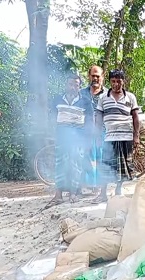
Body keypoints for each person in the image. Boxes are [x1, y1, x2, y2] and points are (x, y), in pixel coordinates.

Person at [45, 73, 94, 208]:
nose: (72, 87)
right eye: (70, 84)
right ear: (66, 85)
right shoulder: (57, 99)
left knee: (76, 165)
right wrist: (50, 136)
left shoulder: (86, 102)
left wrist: (88, 140)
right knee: (59, 164)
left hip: (78, 138)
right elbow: (52, 119)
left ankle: (74, 193)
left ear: (79, 87)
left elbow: (90, 122)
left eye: (76, 85)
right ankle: (58, 194)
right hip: (61, 137)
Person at [92, 69, 140, 203]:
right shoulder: (103, 98)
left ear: (123, 81)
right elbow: (99, 117)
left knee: (122, 167)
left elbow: (136, 117)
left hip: (126, 137)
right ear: (110, 82)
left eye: (119, 81)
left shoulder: (130, 97)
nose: (116, 84)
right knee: (106, 166)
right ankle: (102, 194)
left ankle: (118, 190)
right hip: (109, 138)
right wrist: (97, 136)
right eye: (113, 81)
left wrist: (136, 136)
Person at [80, 65, 107, 194]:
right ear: (88, 76)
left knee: (101, 158)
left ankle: (100, 187)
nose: (95, 78)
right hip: (85, 131)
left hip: (103, 131)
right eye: (93, 75)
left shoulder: (108, 94)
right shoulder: (81, 93)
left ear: (102, 77)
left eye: (98, 76)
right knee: (87, 157)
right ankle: (88, 185)